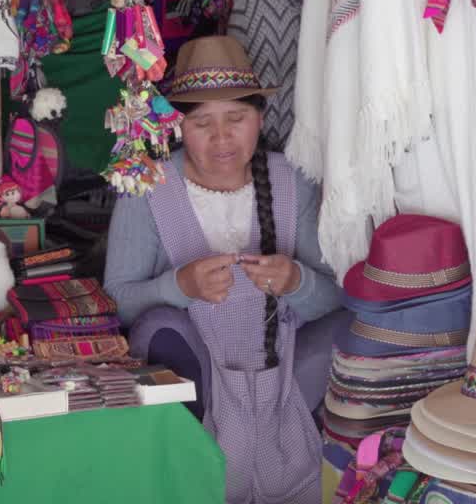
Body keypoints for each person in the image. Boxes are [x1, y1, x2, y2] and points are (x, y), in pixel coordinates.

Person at [104, 35, 344, 504]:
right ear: (176, 126)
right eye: (202, 123)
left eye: (237, 118)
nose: (221, 138)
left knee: (357, 324)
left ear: (261, 118)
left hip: (288, 371)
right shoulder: (147, 187)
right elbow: (117, 301)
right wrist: (179, 286)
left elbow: (337, 296)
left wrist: (296, 281)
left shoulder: (293, 179)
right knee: (161, 325)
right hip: (198, 377)